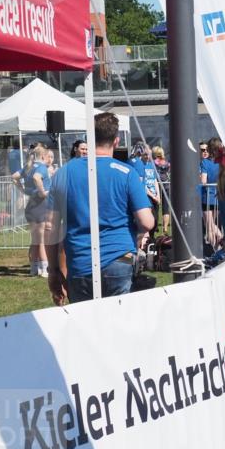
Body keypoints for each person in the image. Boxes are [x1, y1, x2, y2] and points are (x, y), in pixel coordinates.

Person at [45, 112, 154, 305]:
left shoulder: (63, 174)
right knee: (118, 325)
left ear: (89, 138)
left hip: (80, 262)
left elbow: (50, 227)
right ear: (117, 141)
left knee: (86, 328)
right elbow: (146, 222)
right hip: (119, 259)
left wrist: (53, 270)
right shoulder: (127, 172)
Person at [13, 144, 53, 276]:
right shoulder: (41, 167)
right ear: (43, 156)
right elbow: (37, 178)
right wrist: (42, 192)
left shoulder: (28, 166)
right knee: (42, 240)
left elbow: (14, 176)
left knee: (35, 239)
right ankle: (44, 269)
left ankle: (33, 268)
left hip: (31, 205)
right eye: (48, 156)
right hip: (40, 204)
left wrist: (23, 190)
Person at [200, 138, 222, 250]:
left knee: (209, 226)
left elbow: (203, 181)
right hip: (218, 197)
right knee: (214, 224)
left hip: (207, 197)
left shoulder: (205, 162)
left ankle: (218, 249)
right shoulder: (222, 162)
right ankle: (219, 247)